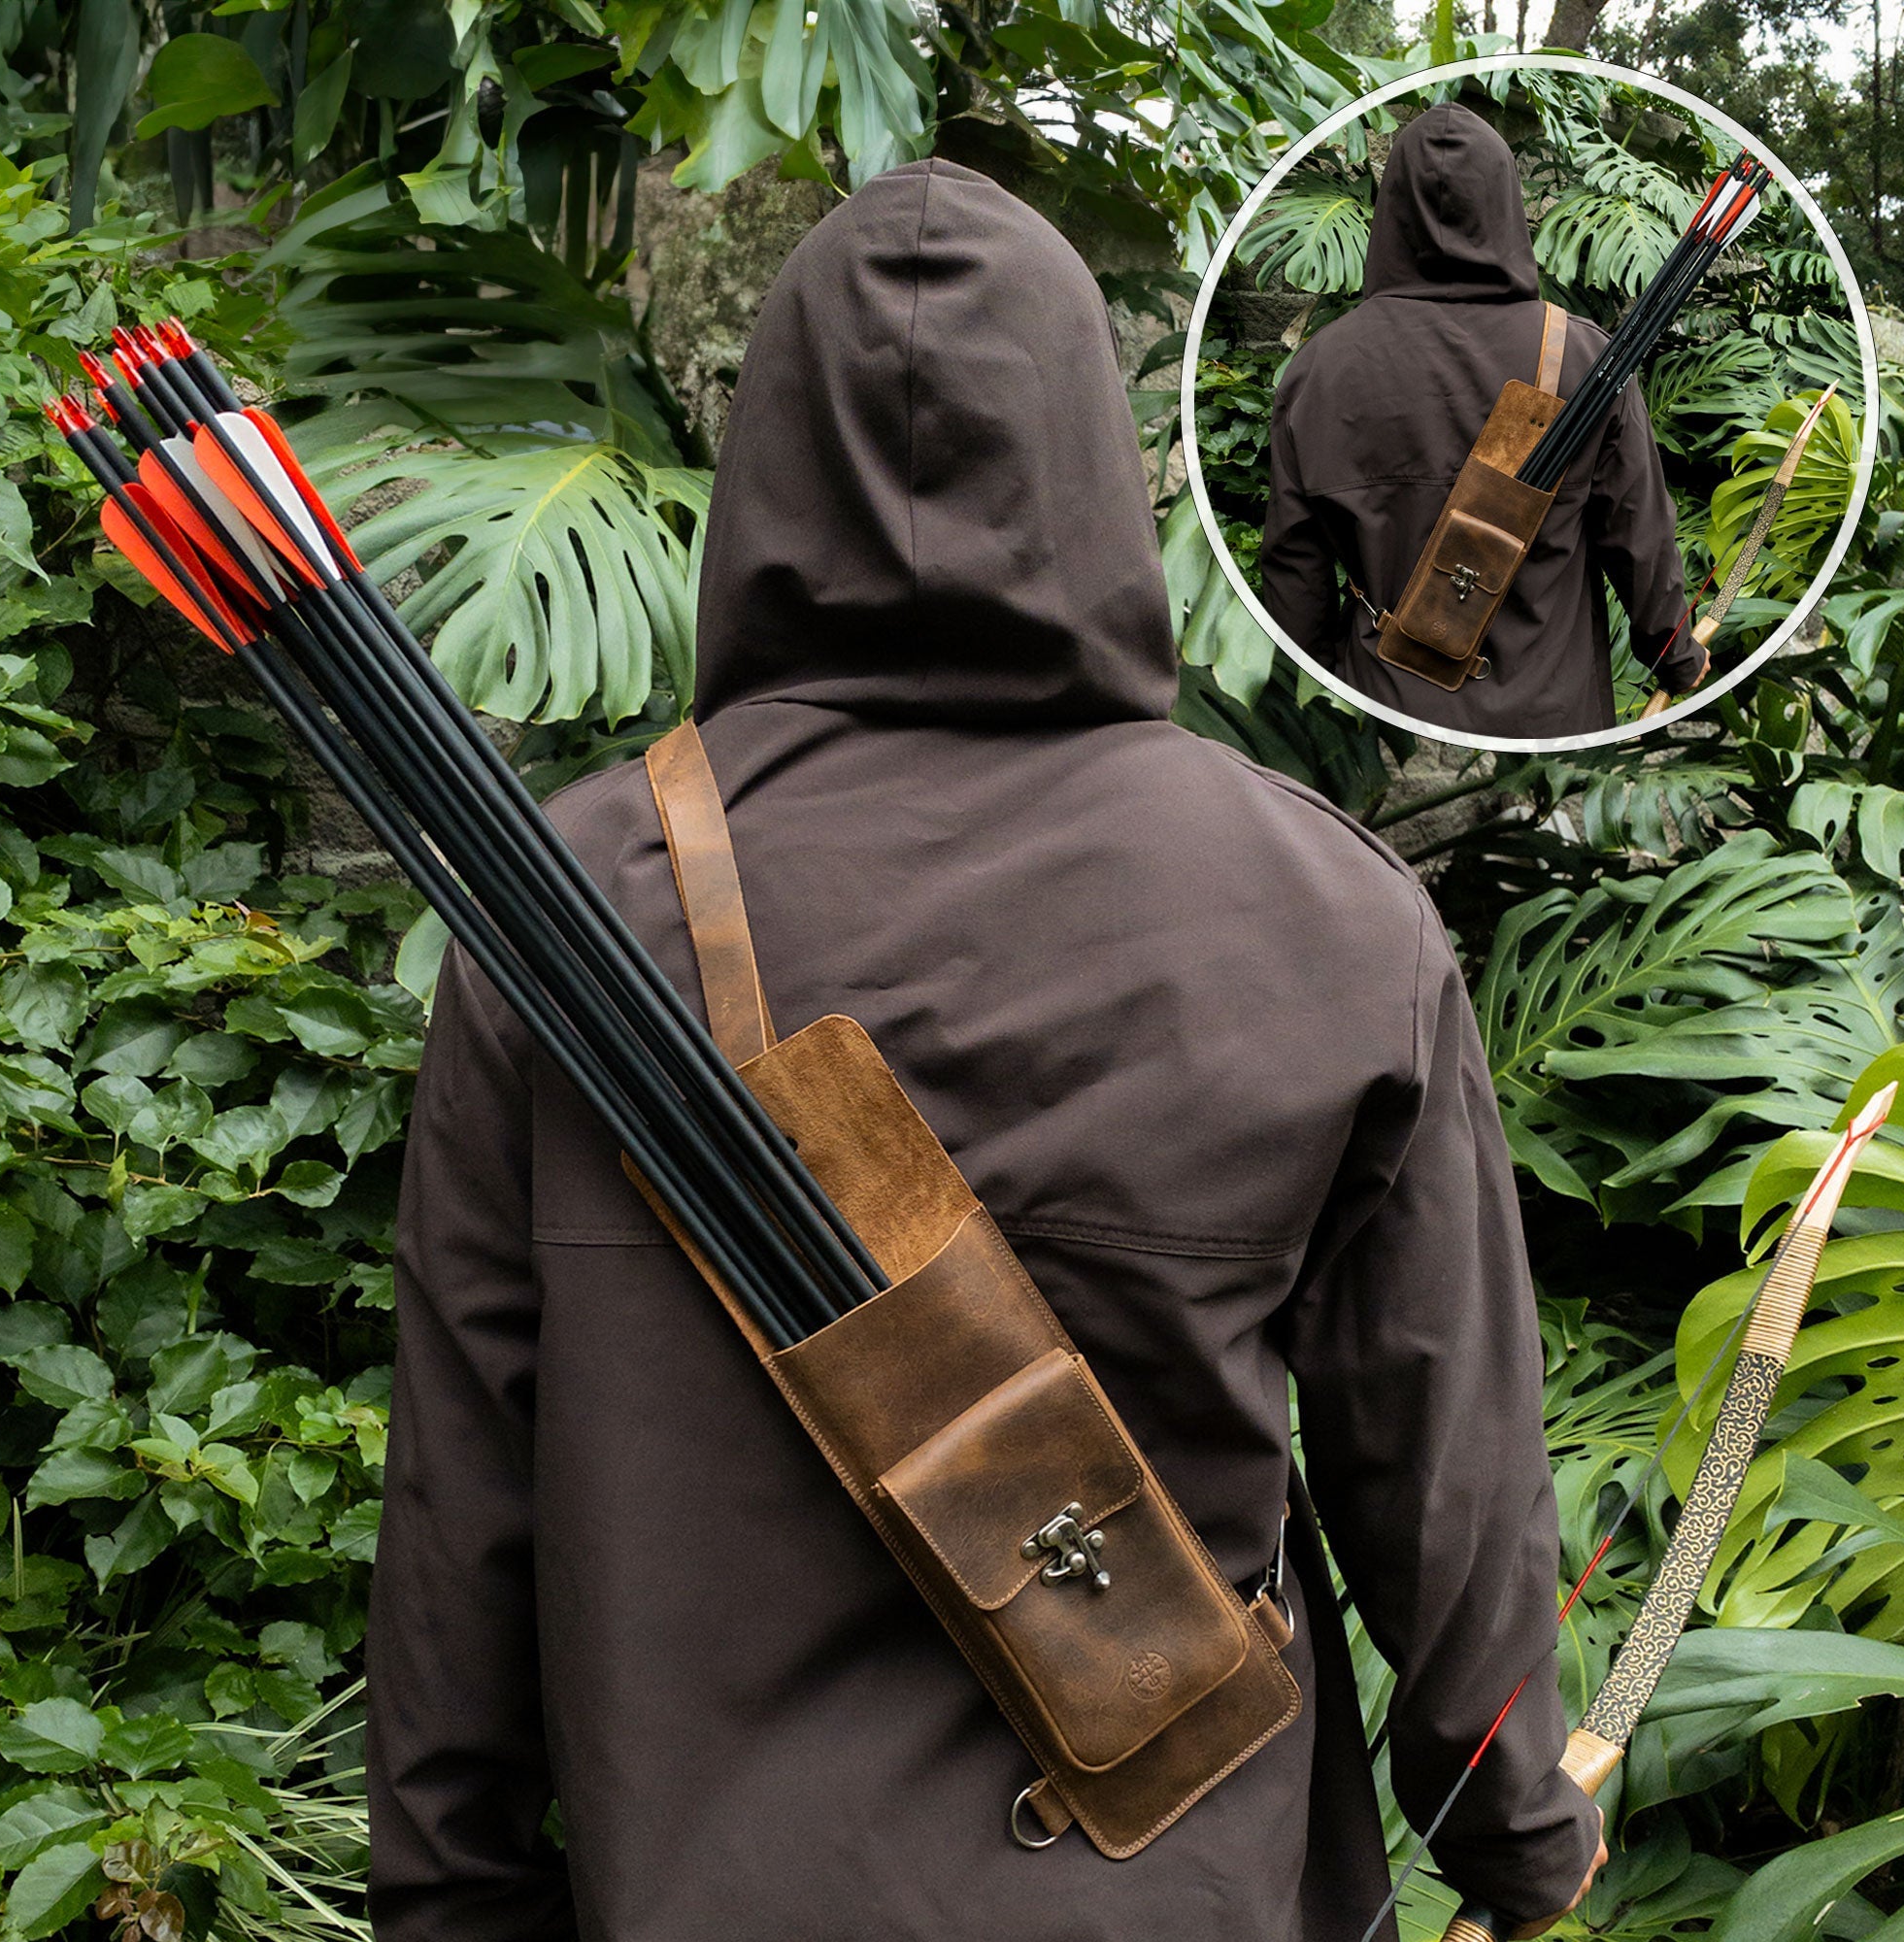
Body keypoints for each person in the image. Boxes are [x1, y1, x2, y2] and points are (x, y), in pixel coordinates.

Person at [363, 156, 1606, 1940]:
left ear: (765, 463)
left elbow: (462, 1499)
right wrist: (1521, 1852)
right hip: (1189, 1890)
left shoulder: (573, 904)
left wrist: (451, 1905)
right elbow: (1452, 1489)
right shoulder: (1333, 922)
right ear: (1095, 469)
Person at [1257, 102, 1706, 739]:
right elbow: (1642, 546)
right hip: (1555, 726)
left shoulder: (1317, 370)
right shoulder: (1584, 357)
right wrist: (1679, 659)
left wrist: (1328, 711)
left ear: (1393, 214)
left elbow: (1294, 579)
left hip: (1382, 718)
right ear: (1505, 206)